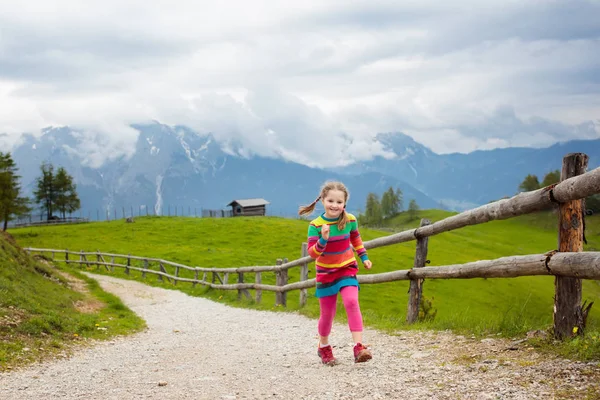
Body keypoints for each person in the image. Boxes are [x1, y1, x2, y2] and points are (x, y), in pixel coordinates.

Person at [298, 181, 373, 365]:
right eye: (330, 200)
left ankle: (359, 347)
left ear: (344, 204)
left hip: (346, 268)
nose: (334, 205)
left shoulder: (350, 220)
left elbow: (355, 238)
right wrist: (323, 239)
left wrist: (364, 257)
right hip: (325, 273)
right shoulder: (315, 225)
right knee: (328, 314)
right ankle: (323, 346)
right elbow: (313, 253)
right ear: (322, 200)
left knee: (351, 301)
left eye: (339, 202)